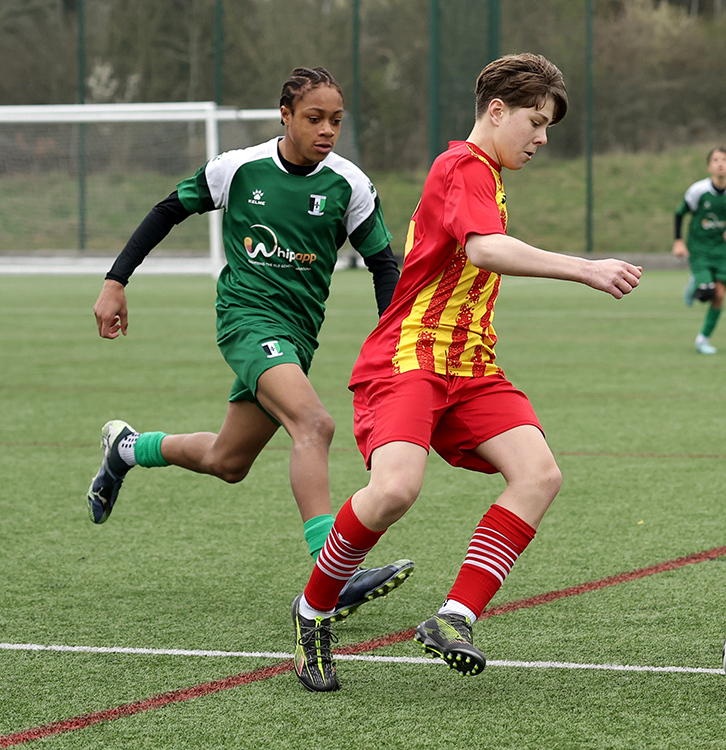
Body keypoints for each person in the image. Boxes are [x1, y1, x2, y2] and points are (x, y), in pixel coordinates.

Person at [290, 53, 642, 692]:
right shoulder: (461, 166)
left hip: (471, 365)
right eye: (536, 123)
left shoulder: (490, 175)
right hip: (410, 360)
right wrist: (586, 267)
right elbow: (484, 249)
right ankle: (313, 611)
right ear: (497, 111)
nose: (541, 139)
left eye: (548, 129)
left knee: (539, 474)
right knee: (395, 490)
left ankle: (454, 618)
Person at [87, 66, 413, 621]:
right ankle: (333, 571)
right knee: (314, 424)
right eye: (314, 119)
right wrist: (116, 281)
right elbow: (169, 210)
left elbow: (385, 263)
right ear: (284, 116)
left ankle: (126, 449)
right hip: (246, 321)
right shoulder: (239, 169)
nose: (327, 130)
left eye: (336, 120)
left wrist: (395, 339)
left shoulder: (350, 185)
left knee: (227, 460)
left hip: (296, 336)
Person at [672, 146, 726, 355]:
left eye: (724, 159)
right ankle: (696, 282)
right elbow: (679, 214)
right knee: (706, 291)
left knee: (720, 295)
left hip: (721, 251)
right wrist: (678, 241)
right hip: (700, 248)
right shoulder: (698, 191)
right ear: (709, 166)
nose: (720, 163)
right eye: (715, 160)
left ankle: (703, 339)